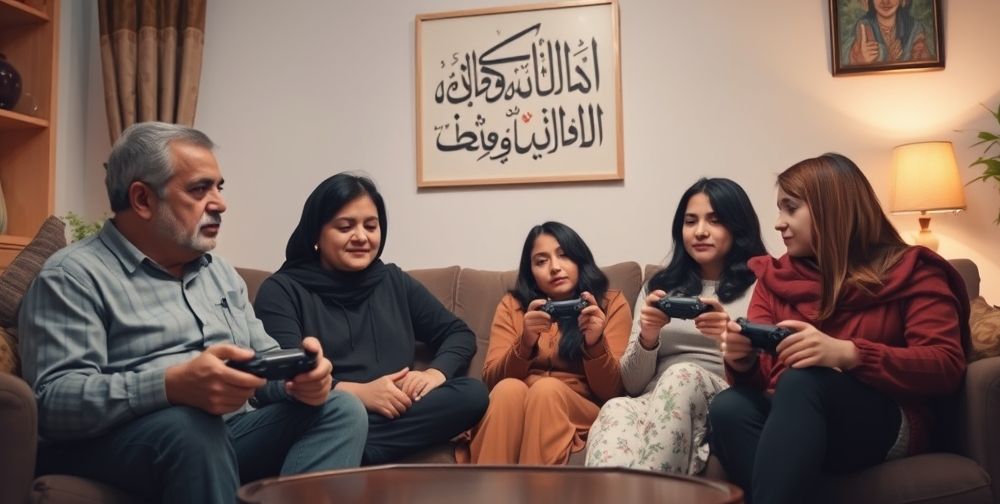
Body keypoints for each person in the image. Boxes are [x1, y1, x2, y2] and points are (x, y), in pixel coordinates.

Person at [18, 122, 368, 503]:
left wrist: (297, 381)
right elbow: (52, 402)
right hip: (127, 443)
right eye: (199, 189)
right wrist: (170, 386)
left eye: (219, 187)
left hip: (226, 434)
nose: (220, 203)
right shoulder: (73, 276)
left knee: (341, 408)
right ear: (142, 200)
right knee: (190, 426)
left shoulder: (219, 273)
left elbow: (261, 364)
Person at [708, 153, 968, 504]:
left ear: (831, 209)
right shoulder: (776, 278)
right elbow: (766, 380)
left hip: (882, 422)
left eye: (790, 208)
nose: (778, 223)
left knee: (803, 380)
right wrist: (744, 361)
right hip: (797, 424)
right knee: (728, 406)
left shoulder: (912, 271)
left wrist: (850, 354)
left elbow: (945, 365)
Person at [253, 173, 489, 465]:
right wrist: (360, 394)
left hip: (396, 411)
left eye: (371, 226)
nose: (362, 237)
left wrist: (433, 374)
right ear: (316, 234)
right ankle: (344, 441)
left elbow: (457, 333)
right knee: (321, 416)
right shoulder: (282, 290)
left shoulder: (393, 280)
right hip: (325, 410)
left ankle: (351, 450)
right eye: (345, 226)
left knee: (472, 395)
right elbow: (283, 377)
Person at [585, 178, 767, 474]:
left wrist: (729, 335)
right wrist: (648, 336)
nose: (700, 232)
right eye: (690, 221)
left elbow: (768, 373)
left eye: (715, 220)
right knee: (616, 408)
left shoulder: (761, 284)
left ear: (738, 226)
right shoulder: (658, 286)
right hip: (656, 400)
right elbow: (631, 385)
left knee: (681, 375)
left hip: (722, 398)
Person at [460, 221, 631, 464]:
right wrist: (525, 342)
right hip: (517, 403)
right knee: (508, 390)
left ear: (580, 260)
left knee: (545, 390)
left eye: (564, 256)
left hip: (578, 406)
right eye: (541, 261)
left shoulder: (609, 303)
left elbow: (613, 391)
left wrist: (595, 343)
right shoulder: (513, 305)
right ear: (530, 272)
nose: (555, 267)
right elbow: (492, 381)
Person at [843, 0, 933, 66]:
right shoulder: (864, 27)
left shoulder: (914, 28)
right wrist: (860, 60)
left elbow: (924, 65)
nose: (885, 1)